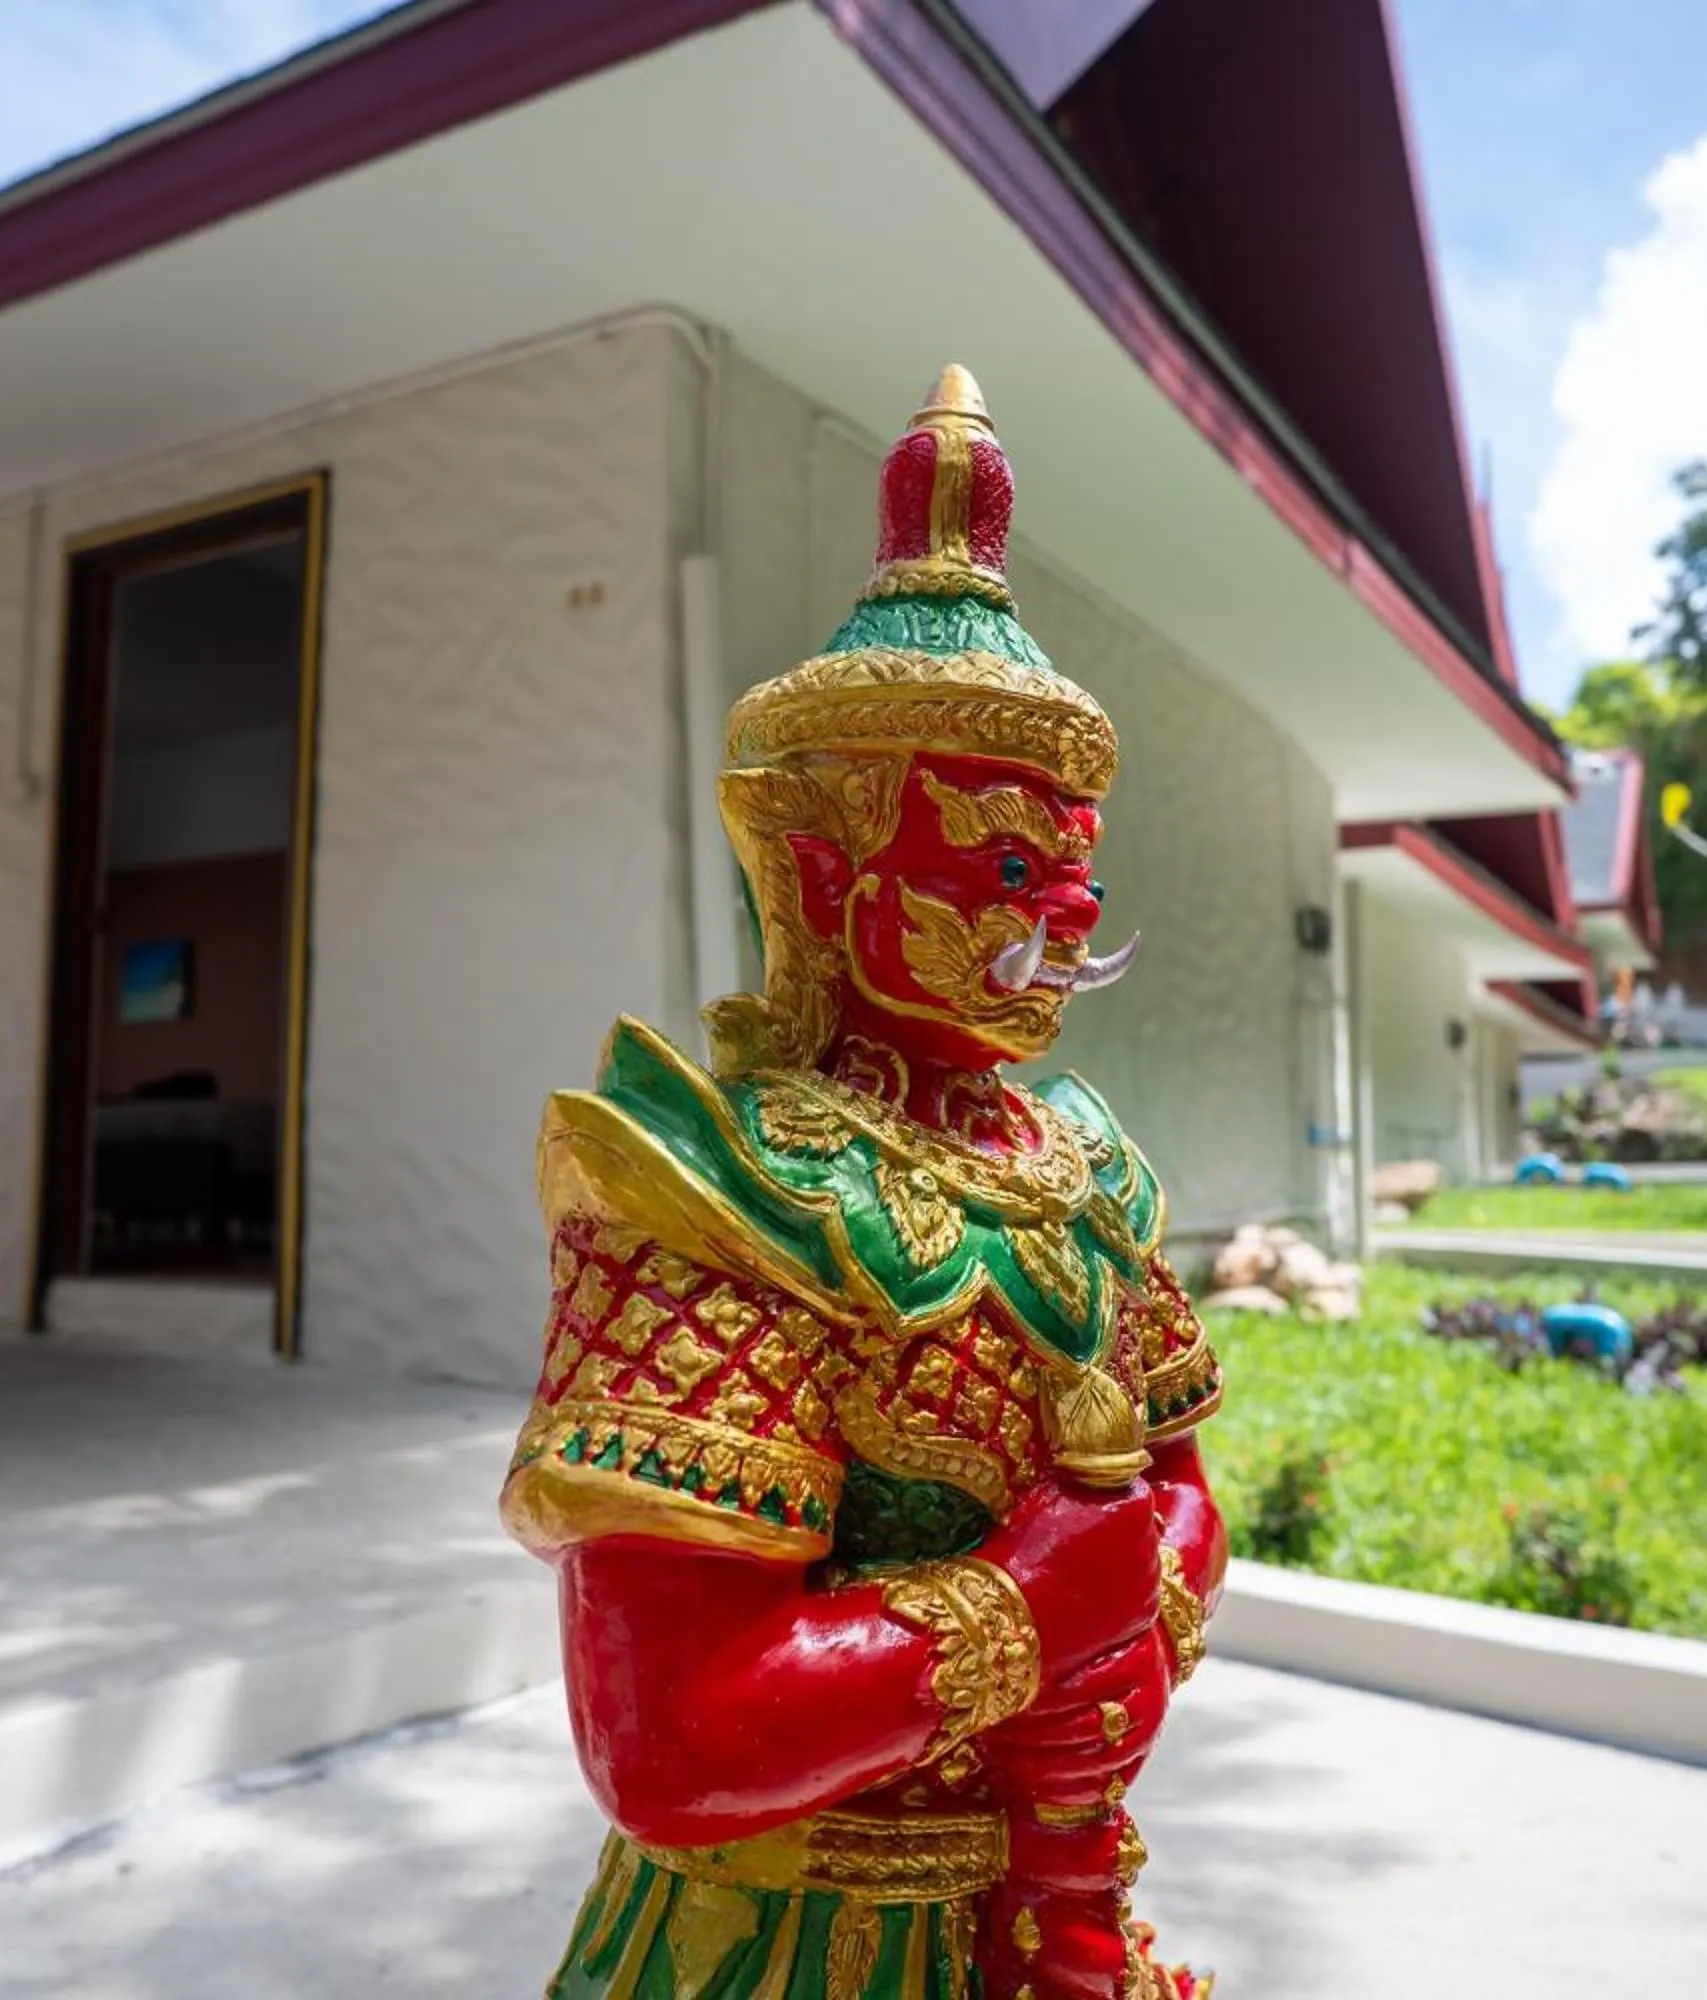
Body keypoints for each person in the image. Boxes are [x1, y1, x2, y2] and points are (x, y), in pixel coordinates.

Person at [501, 368, 1221, 2000]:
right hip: (786, 1931)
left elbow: (1182, 1490)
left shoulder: (1082, 1169)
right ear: (820, 867)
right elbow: (668, 1740)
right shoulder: (718, 1192)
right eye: (1009, 869)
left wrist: (1135, 1624)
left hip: (1058, 1880)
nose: (1063, 922)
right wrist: (1017, 1616)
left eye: (1077, 874)